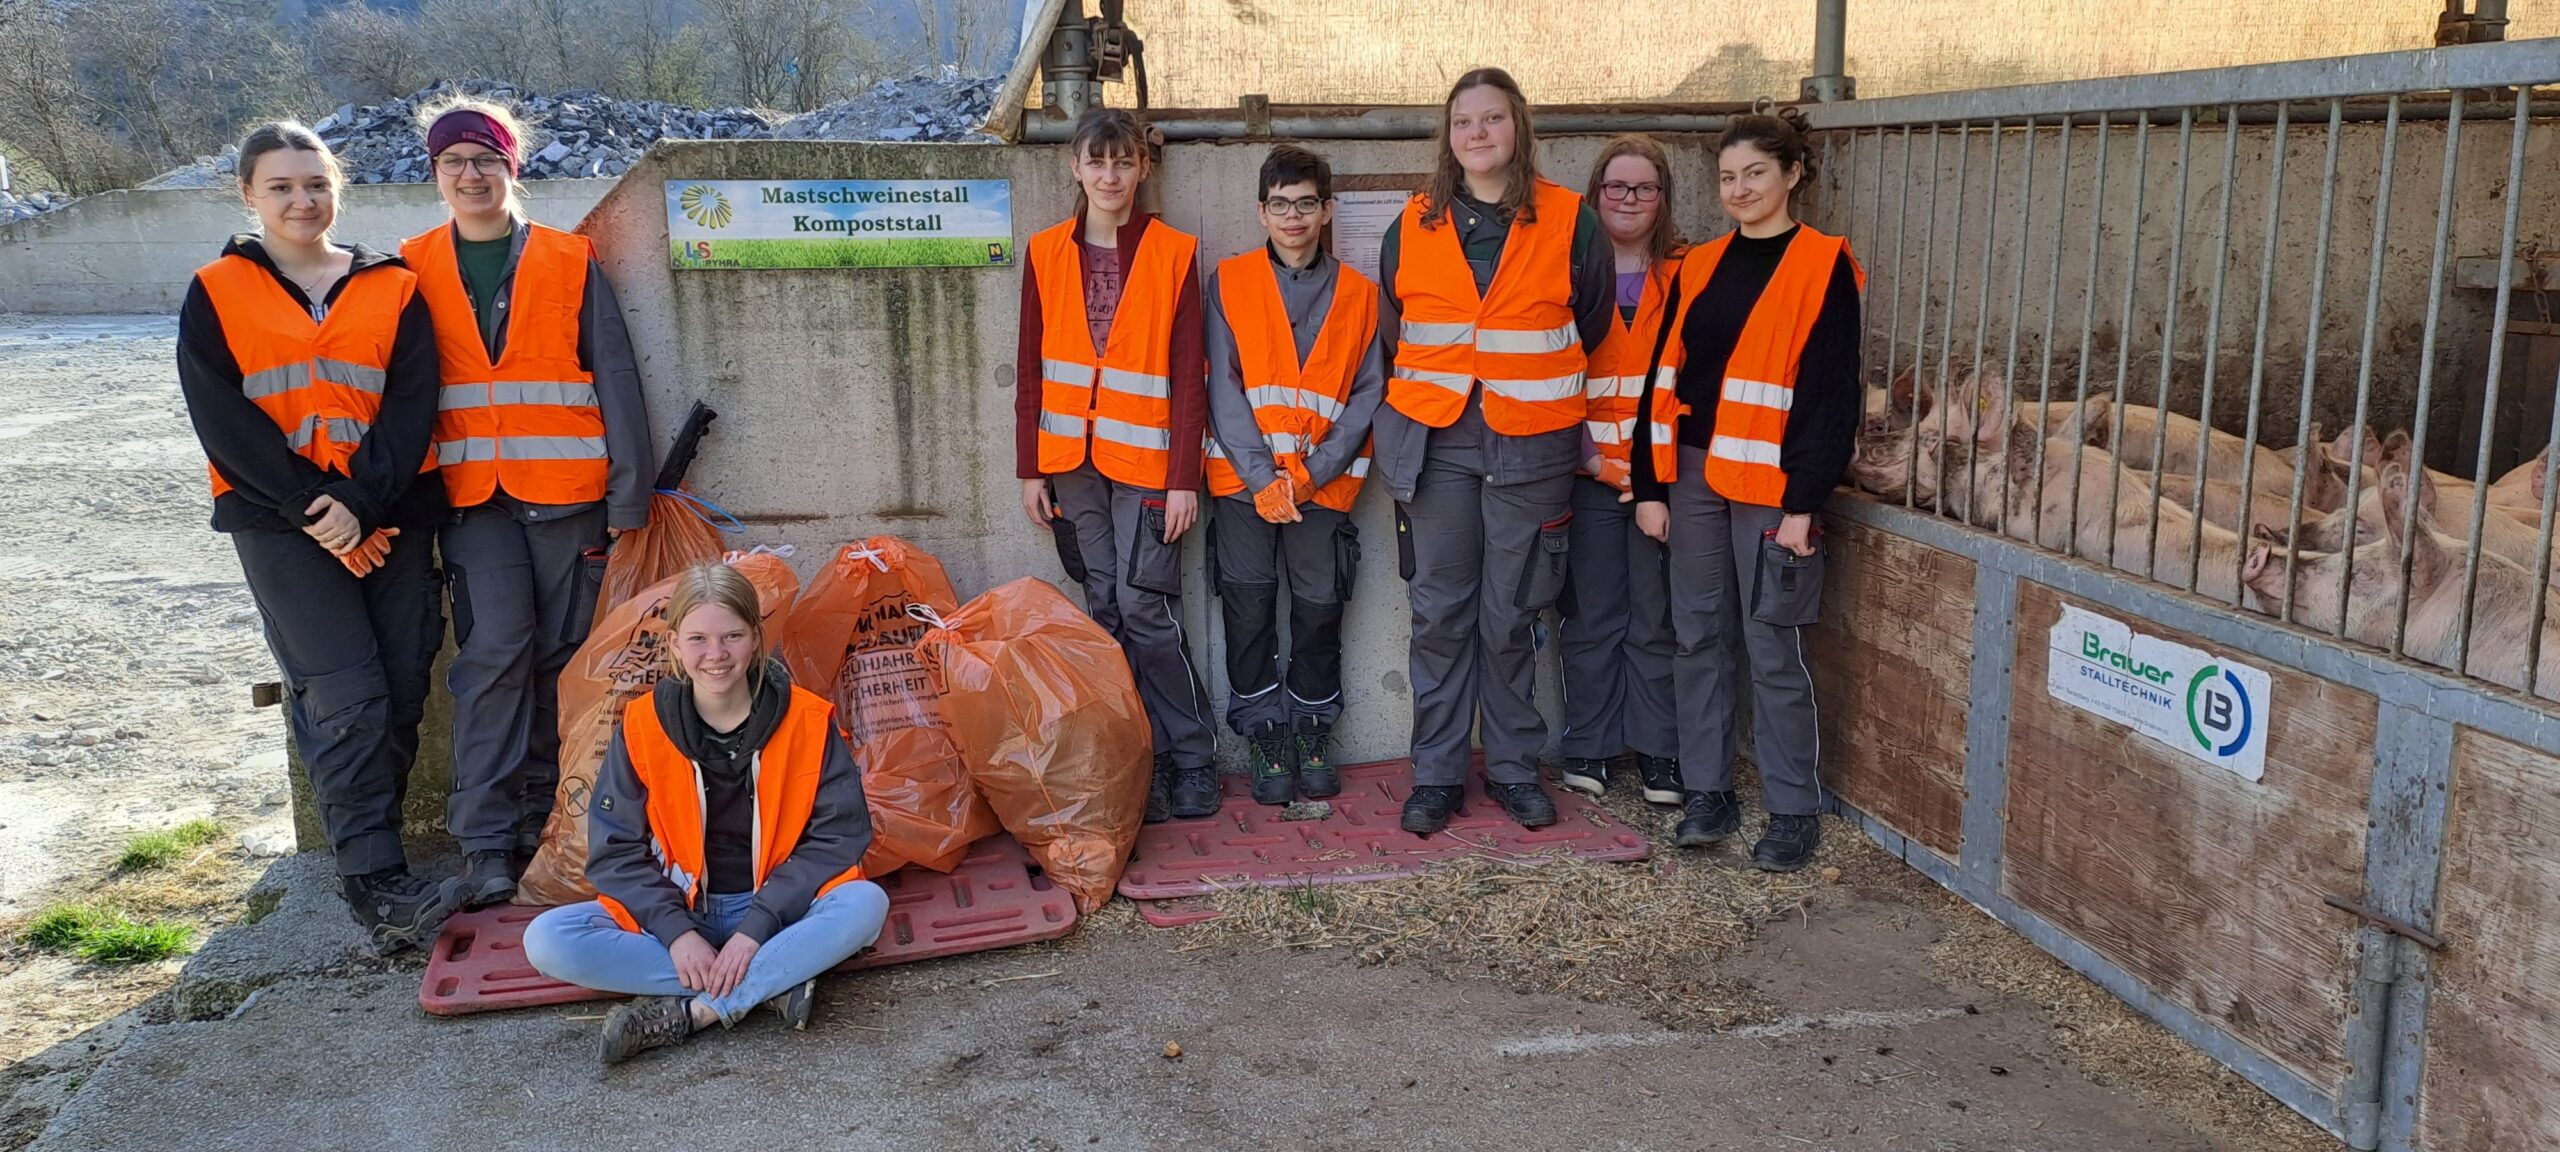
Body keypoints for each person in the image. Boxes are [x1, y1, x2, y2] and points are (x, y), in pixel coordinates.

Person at [176, 122, 458, 951]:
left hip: (389, 512)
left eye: (316, 183)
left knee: (404, 684)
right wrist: (315, 507)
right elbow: (220, 416)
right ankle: (372, 881)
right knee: (344, 692)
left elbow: (413, 407)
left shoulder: (393, 285)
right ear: (248, 195)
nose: (303, 201)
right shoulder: (216, 289)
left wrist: (360, 506)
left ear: (336, 188)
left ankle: (382, 860)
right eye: (282, 187)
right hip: (280, 522)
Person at [402, 97, 655, 908]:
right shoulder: (410, 267)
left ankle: (557, 827)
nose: (471, 175)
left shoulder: (567, 258)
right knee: (491, 659)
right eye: (454, 163)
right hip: (473, 501)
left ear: (513, 168)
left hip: (569, 496)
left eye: (486, 160)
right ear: (436, 175)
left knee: (563, 661)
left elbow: (615, 376)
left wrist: (630, 496)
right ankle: (485, 844)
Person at [522, 563, 889, 1065]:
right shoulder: (642, 725)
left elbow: (839, 837)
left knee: (866, 905)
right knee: (548, 940)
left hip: (778, 909)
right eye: (697, 639)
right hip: (679, 910)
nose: (715, 656)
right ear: (673, 644)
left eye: (732, 636)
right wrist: (678, 934)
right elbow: (615, 853)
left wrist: (757, 926)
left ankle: (693, 1013)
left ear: (756, 640)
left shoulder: (807, 719)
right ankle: (773, 982)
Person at [1374, 67, 1613, 835]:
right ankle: (1438, 775)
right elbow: (1392, 326)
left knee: (1512, 613)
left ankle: (1513, 769)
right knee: (1440, 612)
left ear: (1519, 128)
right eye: (1464, 122)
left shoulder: (1573, 221)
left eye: (1493, 120)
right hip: (1438, 441)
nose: (1478, 134)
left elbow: (1595, 320)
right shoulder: (1412, 223)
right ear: (1449, 137)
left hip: (1532, 445)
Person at [1632, 110, 1863, 873]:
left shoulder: (1824, 263)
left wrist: (1805, 504)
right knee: (1695, 634)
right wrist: (1651, 484)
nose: (1740, 189)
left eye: (1756, 173)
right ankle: (1709, 793)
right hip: (1693, 472)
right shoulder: (1697, 264)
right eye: (1728, 178)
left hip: (1771, 484)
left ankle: (1794, 807)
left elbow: (1829, 393)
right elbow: (1660, 375)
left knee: (1772, 644)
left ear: (1793, 174)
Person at [1015, 107, 1218, 823]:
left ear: (1142, 169)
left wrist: (1183, 477)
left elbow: (1192, 375)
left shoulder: (1173, 251)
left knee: (1147, 610)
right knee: (1104, 612)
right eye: (1096, 162)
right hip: (1072, 462)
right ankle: (1136, 762)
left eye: (1123, 162)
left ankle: (1192, 756)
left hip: (1148, 460)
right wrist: (1030, 469)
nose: (1109, 175)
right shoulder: (1044, 252)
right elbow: (1031, 367)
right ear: (1074, 167)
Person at [1203, 144, 1386, 805]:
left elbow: (1368, 395)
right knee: (1248, 608)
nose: (1293, 217)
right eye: (1280, 204)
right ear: (1261, 211)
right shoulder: (1229, 282)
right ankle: (1263, 734)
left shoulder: (1363, 297)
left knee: (1318, 609)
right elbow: (1222, 388)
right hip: (1243, 485)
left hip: (1323, 490)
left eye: (1306, 203)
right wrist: (1263, 480)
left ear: (1327, 210)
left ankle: (1312, 728)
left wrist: (1305, 481)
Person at [1556, 136, 1685, 807]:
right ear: (1595, 193)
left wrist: (1651, 477)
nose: (1629, 200)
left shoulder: (1688, 275)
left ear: (1663, 198)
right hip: (1587, 475)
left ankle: (1660, 748)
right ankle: (1591, 746)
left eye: (1643, 188)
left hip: (1663, 482)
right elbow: (1547, 376)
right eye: (1616, 187)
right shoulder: (1568, 274)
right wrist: (1594, 460)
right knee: (1593, 617)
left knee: (1656, 618)